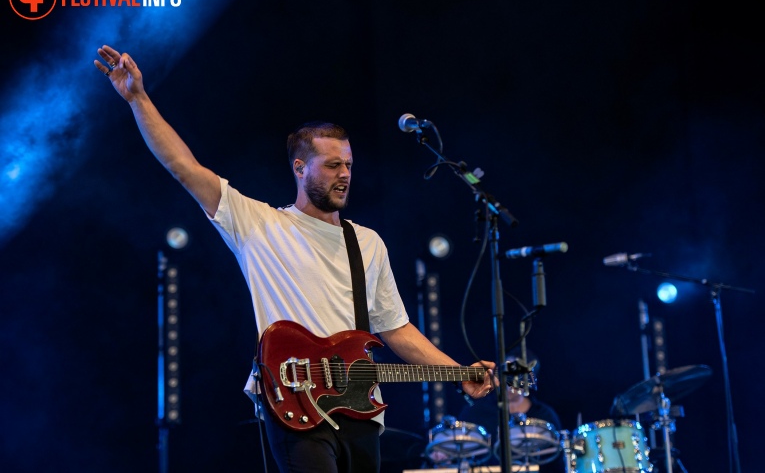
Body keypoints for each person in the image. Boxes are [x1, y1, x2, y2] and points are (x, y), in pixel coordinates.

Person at [94, 45, 495, 473]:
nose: (344, 174)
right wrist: (138, 98)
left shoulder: (368, 242)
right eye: (332, 165)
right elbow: (183, 167)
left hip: (361, 411)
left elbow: (395, 328)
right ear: (300, 167)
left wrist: (460, 372)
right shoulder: (259, 224)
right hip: (295, 404)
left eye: (348, 164)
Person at [457, 348, 565, 473]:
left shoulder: (545, 415)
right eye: (506, 374)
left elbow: (557, 462)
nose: (509, 382)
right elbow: (458, 450)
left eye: (516, 375)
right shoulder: (475, 412)